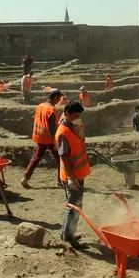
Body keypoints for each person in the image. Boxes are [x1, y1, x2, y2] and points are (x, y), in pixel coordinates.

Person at [57, 101, 89, 249]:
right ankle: (69, 237)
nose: (77, 117)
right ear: (67, 113)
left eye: (79, 115)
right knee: (74, 206)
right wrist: (71, 177)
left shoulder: (71, 128)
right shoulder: (63, 132)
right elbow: (63, 156)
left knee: (72, 204)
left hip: (77, 173)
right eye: (75, 115)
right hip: (73, 176)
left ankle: (65, 233)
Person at [21, 88, 63, 188]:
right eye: (59, 98)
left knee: (36, 157)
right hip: (48, 138)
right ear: (55, 97)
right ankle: (60, 181)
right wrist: (55, 140)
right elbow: (52, 128)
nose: (60, 100)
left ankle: (25, 177)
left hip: (40, 136)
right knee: (60, 158)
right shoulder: (51, 109)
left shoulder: (40, 106)